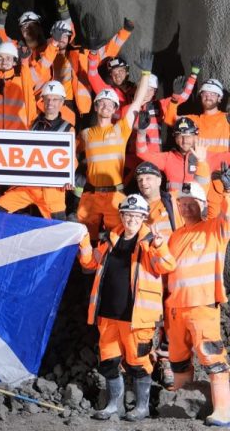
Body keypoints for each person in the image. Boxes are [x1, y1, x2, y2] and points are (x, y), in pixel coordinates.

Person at [78, 194, 174, 421]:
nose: (132, 219)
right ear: (121, 215)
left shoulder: (151, 241)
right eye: (128, 214)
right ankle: (114, 406)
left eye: (136, 215)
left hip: (137, 318)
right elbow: (89, 263)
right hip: (108, 316)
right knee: (109, 362)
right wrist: (83, 241)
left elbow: (167, 266)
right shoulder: (109, 240)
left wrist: (160, 247)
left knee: (139, 364)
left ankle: (142, 407)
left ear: (143, 217)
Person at [163, 170, 230, 427]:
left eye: (193, 204)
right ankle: (178, 405)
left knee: (212, 358)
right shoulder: (175, 236)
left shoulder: (214, 230)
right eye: (183, 204)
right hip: (176, 309)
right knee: (178, 359)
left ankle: (223, 410)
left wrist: (227, 192)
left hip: (202, 306)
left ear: (202, 206)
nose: (187, 208)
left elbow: (227, 216)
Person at [76, 53, 150, 243]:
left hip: (115, 195)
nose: (106, 107)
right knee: (85, 242)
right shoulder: (86, 134)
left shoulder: (121, 130)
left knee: (115, 240)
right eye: (102, 103)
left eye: (110, 104)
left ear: (115, 108)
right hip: (90, 195)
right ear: (95, 107)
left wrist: (146, 74)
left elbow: (136, 102)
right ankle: (87, 272)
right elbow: (66, 155)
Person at [0, 80, 74, 219]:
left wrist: (68, 176)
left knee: (60, 232)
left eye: (55, 99)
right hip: (28, 188)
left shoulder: (68, 128)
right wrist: (24, 64)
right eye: (47, 99)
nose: (50, 103)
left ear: (62, 102)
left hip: (52, 192)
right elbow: (28, 93)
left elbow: (71, 159)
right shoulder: (33, 123)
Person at [134, 161, 183, 389]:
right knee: (149, 319)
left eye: (149, 178)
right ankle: (143, 363)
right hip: (148, 275)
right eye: (140, 180)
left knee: (172, 320)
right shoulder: (135, 208)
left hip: (173, 270)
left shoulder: (172, 201)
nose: (145, 183)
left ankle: (167, 362)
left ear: (159, 180)